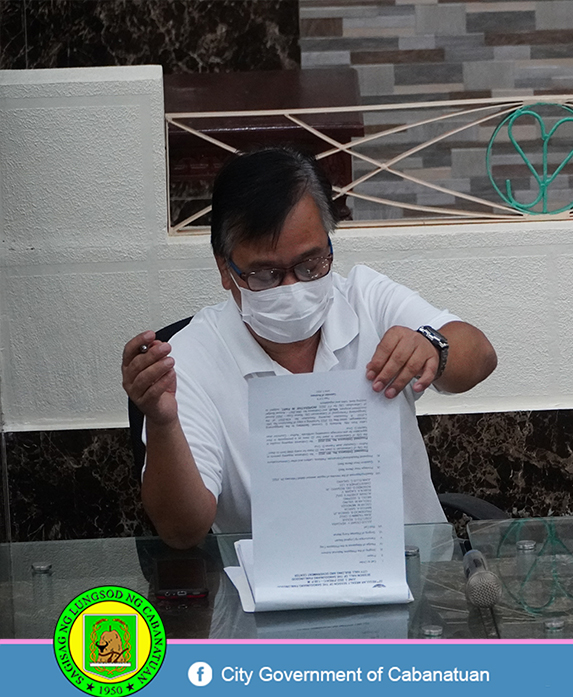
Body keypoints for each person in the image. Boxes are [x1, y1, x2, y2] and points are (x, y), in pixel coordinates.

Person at [122, 147, 497, 549]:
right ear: (224, 269)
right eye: (265, 274)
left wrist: (434, 347)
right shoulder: (191, 358)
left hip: (417, 579)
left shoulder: (365, 299)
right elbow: (183, 530)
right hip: (275, 597)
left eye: (310, 265)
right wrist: (162, 424)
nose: (293, 289)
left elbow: (480, 357)